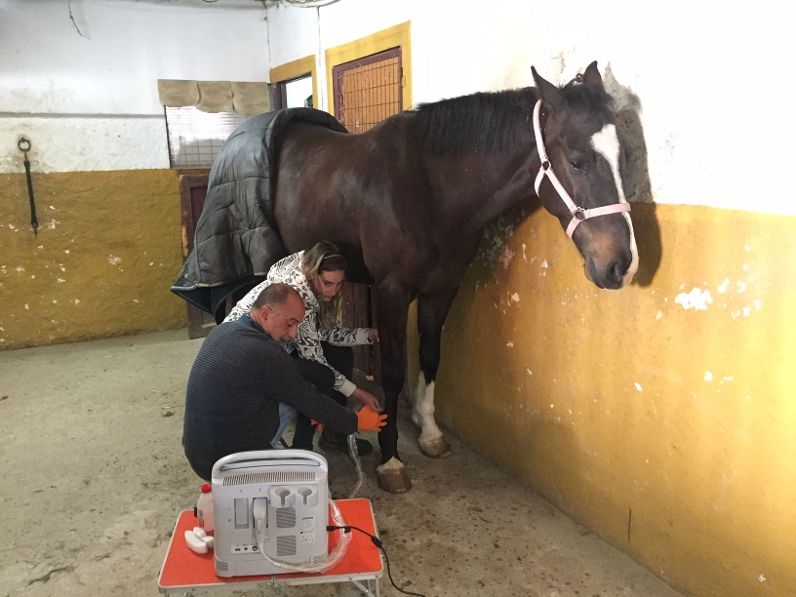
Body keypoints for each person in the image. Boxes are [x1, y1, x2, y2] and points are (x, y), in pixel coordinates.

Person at [182, 282, 387, 482]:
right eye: (290, 323)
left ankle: (292, 447)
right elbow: (311, 400)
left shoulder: (223, 331)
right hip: (232, 469)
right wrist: (355, 421)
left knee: (307, 380)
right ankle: (293, 461)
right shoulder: (266, 354)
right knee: (305, 399)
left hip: (199, 454)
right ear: (265, 313)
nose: (293, 334)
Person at [224, 241, 381, 455]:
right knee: (319, 376)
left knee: (338, 355)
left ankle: (333, 435)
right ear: (314, 274)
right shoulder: (299, 300)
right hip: (251, 357)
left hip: (256, 345)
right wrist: (359, 393)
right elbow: (314, 358)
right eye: (328, 283)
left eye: (339, 284)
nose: (334, 291)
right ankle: (302, 449)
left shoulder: (301, 269)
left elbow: (323, 332)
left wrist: (369, 335)